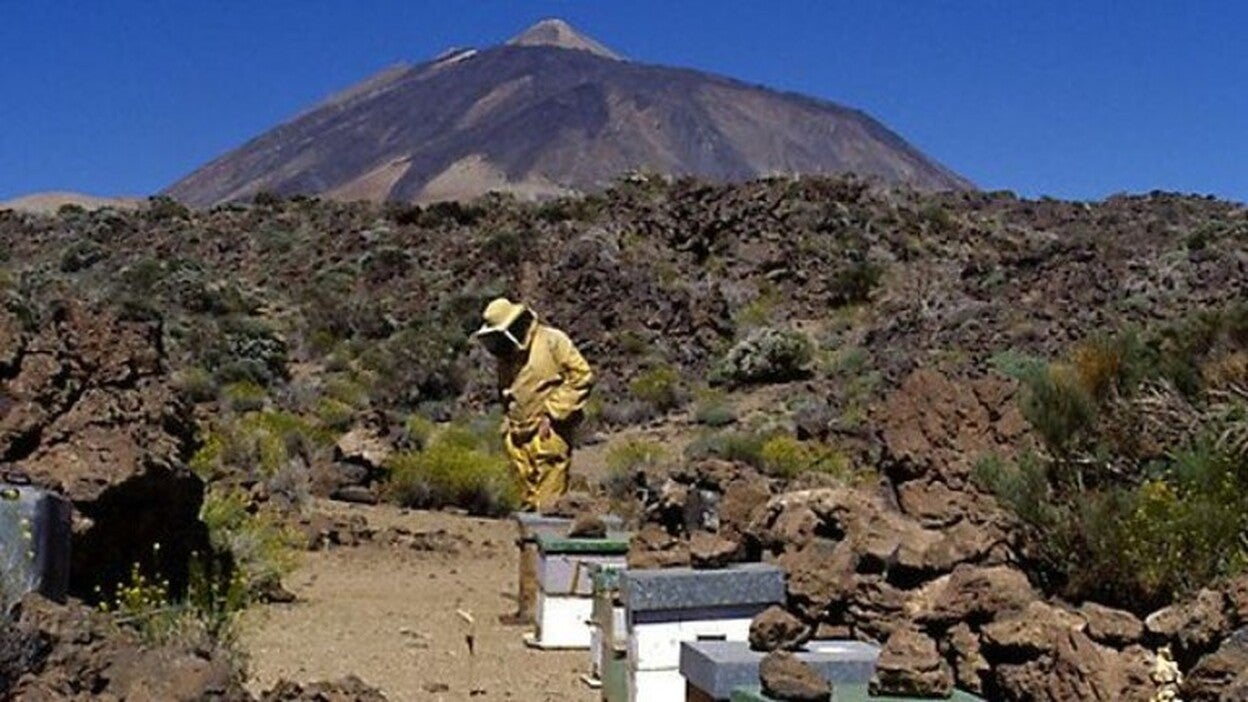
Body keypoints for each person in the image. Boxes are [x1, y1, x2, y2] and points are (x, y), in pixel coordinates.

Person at [473, 298, 593, 511]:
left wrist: (553, 411)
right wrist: (508, 423)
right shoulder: (508, 356)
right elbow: (508, 391)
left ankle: (549, 538)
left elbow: (581, 377)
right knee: (523, 501)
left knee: (548, 503)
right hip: (517, 433)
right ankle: (528, 541)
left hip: (546, 431)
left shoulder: (552, 341)